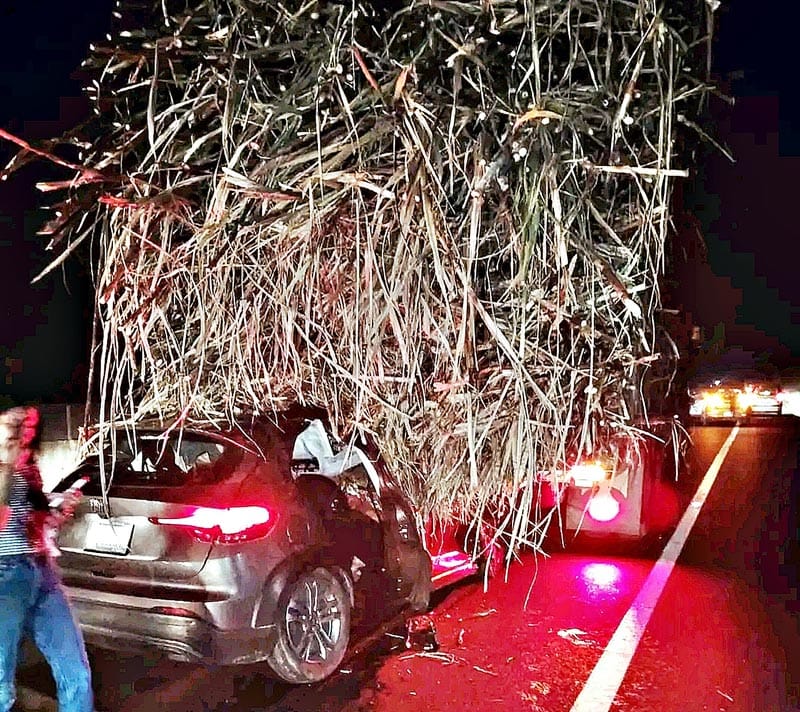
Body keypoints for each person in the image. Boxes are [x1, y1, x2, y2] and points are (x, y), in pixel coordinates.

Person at [0, 406, 94, 712]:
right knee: (1, 685)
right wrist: (5, 462)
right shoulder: (7, 463)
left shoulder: (28, 467)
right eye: (17, 422)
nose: (26, 427)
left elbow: (34, 522)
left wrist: (57, 511)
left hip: (41, 570)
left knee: (76, 673)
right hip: (5, 574)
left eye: (30, 422)